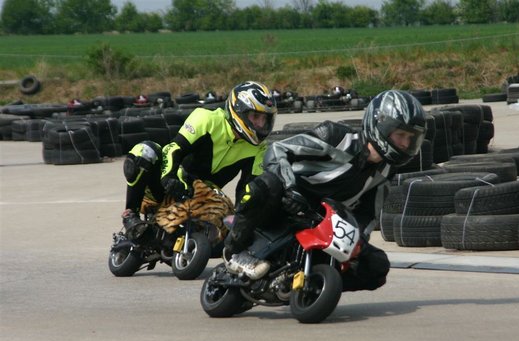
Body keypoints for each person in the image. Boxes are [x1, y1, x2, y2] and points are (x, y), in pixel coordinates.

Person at [223, 89, 426, 290]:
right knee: (266, 185)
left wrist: (356, 243)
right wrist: (290, 186)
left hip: (321, 222)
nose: (405, 143)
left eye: (411, 138)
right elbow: (278, 150)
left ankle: (317, 284)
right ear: (381, 125)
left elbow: (367, 217)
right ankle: (235, 250)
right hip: (287, 203)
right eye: (401, 135)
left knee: (377, 265)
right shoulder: (336, 136)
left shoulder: (386, 172)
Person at [121, 81, 277, 239]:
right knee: (145, 151)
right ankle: (130, 215)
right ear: (238, 110)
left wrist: (244, 220)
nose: (260, 123)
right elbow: (173, 149)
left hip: (202, 196)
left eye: (265, 119)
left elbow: (247, 189)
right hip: (170, 184)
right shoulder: (206, 119)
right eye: (255, 116)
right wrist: (169, 178)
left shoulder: (259, 149)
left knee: (230, 231)